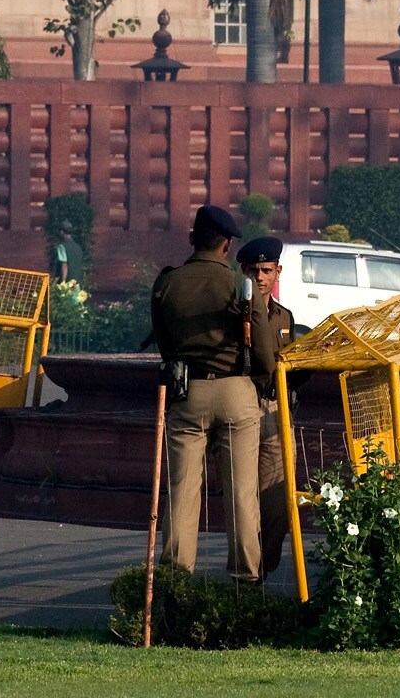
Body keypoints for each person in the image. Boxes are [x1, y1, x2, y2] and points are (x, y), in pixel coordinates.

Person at [148, 202, 276, 578]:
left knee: (182, 492)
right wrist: (256, 383)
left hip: (187, 392)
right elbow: (265, 353)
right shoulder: (240, 284)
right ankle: (245, 579)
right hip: (237, 390)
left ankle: (176, 578)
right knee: (242, 495)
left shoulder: (168, 283)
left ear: (192, 238)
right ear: (227, 245)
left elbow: (165, 344)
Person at [239, 236, 300, 585]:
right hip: (242, 407)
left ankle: (263, 567)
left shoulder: (284, 317)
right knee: (244, 502)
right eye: (253, 271)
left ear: (278, 272)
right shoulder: (234, 315)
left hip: (276, 411)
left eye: (266, 270)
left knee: (279, 503)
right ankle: (248, 575)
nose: (260, 277)